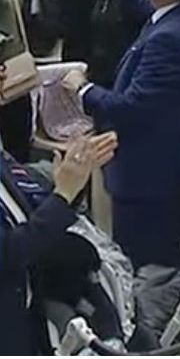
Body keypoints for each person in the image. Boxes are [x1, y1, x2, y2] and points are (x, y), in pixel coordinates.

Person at [63, 0, 180, 269]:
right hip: (164, 162)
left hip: (150, 172)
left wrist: (82, 89)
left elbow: (133, 108)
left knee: (145, 265)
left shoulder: (169, 39)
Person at [0, 128, 118, 354]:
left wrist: (71, 177)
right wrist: (63, 194)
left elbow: (33, 206)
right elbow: (10, 252)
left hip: (29, 317)